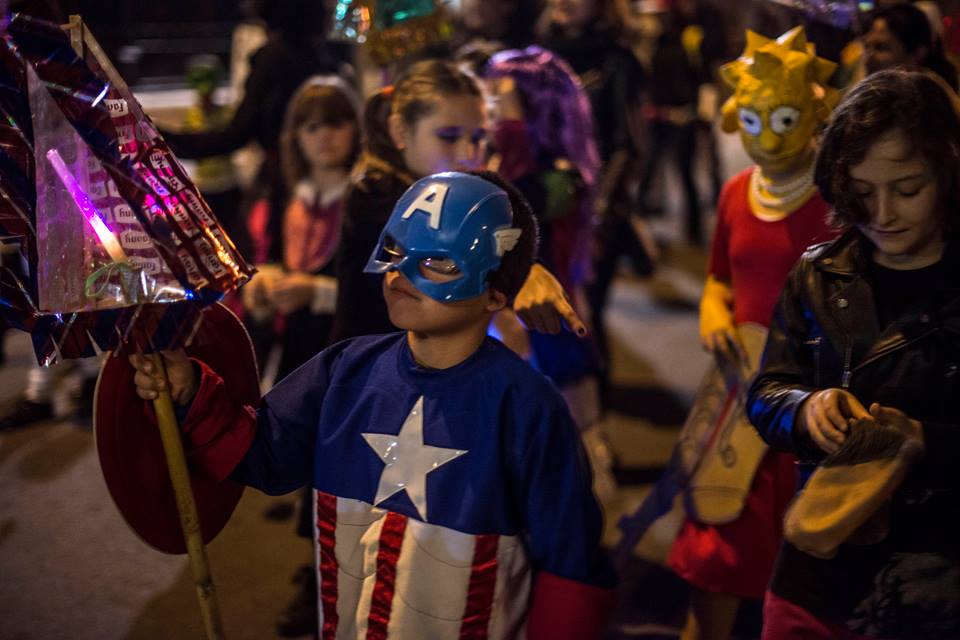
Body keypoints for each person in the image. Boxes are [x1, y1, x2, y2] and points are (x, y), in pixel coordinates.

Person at [129, 171, 616, 639]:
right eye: (397, 252)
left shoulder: (526, 407)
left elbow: (570, 563)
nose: (402, 275)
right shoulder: (345, 370)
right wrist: (191, 391)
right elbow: (266, 456)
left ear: (495, 295)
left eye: (438, 263)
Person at [747, 68, 960, 639]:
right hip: (819, 560)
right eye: (863, 193)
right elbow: (766, 391)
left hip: (934, 577)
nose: (883, 214)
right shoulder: (819, 272)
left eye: (908, 190)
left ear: (949, 173)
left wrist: (924, 440)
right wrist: (804, 407)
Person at [664, 27, 840, 640]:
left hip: (810, 404)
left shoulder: (837, 201)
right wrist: (713, 312)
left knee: (803, 566)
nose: (769, 134)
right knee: (718, 547)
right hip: (740, 401)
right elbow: (719, 277)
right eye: (756, 119)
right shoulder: (738, 192)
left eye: (783, 118)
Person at [331, 58, 586, 346]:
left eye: (478, 138)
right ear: (400, 131)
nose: (467, 154)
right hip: (370, 365)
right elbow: (441, 234)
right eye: (448, 137)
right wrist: (523, 272)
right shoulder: (375, 194)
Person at [235, 75, 361, 637]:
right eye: (311, 126)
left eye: (335, 122)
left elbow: (373, 291)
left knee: (337, 472)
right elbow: (258, 264)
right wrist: (261, 287)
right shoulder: (286, 196)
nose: (324, 136)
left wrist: (315, 291)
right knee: (304, 458)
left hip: (345, 350)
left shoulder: (365, 200)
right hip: (296, 353)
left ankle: (325, 586)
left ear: (355, 129)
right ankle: (320, 574)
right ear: (295, 136)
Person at [481, 46, 616, 501]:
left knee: (572, 452)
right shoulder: (498, 158)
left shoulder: (559, 178)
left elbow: (517, 198)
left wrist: (511, 131)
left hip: (551, 324)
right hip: (512, 323)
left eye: (500, 97)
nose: (490, 107)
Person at [862, 3, 958, 90]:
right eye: (866, 47)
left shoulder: (933, 100)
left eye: (880, 47)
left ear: (918, 53)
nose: (867, 58)